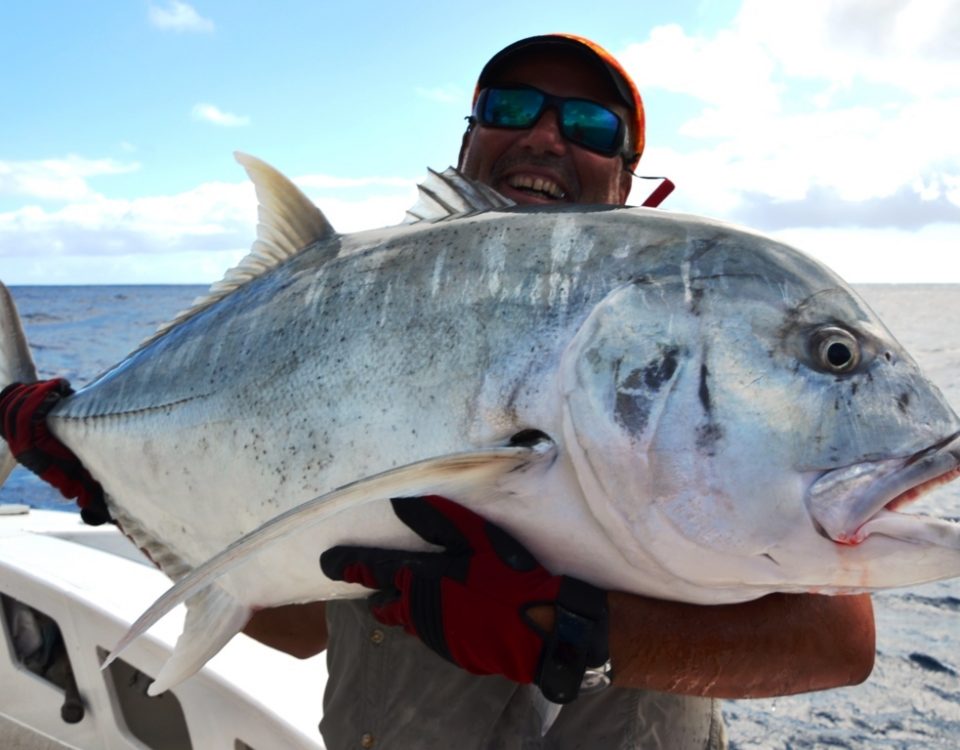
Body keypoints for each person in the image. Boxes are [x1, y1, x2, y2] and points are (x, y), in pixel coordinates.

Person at [0, 34, 876, 750]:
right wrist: (116, 489)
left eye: (588, 124)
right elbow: (298, 624)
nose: (544, 136)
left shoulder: (706, 364)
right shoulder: (345, 326)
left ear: (631, 184)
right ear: (465, 145)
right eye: (508, 110)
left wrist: (580, 636)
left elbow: (841, 644)